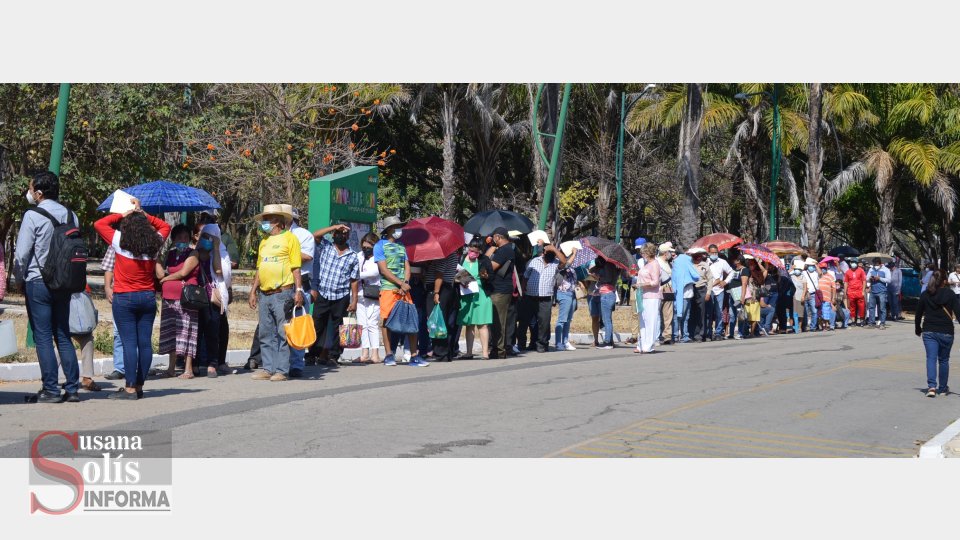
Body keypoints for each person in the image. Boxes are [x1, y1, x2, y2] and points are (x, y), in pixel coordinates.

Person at [13, 171, 84, 403]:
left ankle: (51, 389)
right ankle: (72, 388)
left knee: (43, 336)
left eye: (32, 189)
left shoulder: (32, 215)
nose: (30, 193)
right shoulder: (72, 216)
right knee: (63, 333)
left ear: (39, 193)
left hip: (38, 282)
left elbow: (22, 254)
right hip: (64, 283)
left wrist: (18, 279)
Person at [94, 198, 171, 399]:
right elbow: (165, 225)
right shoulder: (155, 243)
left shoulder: (120, 241)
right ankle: (138, 385)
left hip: (124, 298)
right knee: (144, 342)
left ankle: (129, 388)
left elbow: (99, 224)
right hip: (147, 297)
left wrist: (124, 214)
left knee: (129, 342)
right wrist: (144, 214)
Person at [248, 204, 304, 381]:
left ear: (278, 221)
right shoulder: (264, 242)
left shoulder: (290, 239)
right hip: (265, 293)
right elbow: (260, 268)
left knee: (282, 332)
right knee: (266, 332)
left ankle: (281, 370)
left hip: (283, 293)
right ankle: (267, 368)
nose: (264, 223)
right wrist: (253, 291)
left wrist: (299, 290)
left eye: (267, 219)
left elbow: (296, 267)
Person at [375, 216, 426, 367]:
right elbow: (383, 269)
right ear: (389, 230)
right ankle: (389, 355)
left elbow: (407, 266)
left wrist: (406, 283)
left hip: (404, 289)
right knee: (386, 321)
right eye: (396, 226)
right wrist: (399, 283)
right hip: (388, 289)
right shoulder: (379, 246)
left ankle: (414, 355)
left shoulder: (401, 246)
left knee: (411, 319)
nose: (399, 230)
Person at [310, 223, 359, 367]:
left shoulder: (353, 255)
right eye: (338, 233)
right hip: (323, 293)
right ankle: (312, 355)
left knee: (339, 327)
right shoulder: (325, 247)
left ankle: (333, 356)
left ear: (348, 236)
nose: (341, 235)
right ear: (333, 234)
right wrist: (334, 227)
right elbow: (315, 235)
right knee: (317, 325)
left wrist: (354, 300)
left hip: (341, 295)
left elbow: (354, 279)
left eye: (344, 233)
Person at [155, 225, 200, 379]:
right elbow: (160, 273)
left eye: (186, 237)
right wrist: (157, 257)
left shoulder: (193, 253)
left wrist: (166, 279)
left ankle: (188, 369)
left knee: (187, 332)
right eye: (179, 237)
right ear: (173, 240)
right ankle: (171, 368)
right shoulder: (170, 253)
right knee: (172, 333)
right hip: (169, 298)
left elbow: (183, 272)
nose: (183, 240)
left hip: (186, 298)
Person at [915, 270, 960, 397]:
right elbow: (958, 313)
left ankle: (931, 387)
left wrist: (917, 328)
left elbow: (918, 313)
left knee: (931, 358)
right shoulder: (950, 294)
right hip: (946, 332)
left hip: (929, 330)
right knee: (944, 360)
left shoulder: (925, 294)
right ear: (945, 281)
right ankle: (943, 388)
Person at [519, 238, 566, 353]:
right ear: (543, 252)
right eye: (548, 251)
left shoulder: (555, 263)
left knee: (544, 323)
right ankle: (521, 344)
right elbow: (525, 276)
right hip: (530, 296)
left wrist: (554, 249)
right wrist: (523, 290)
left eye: (552, 253)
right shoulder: (534, 261)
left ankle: (542, 344)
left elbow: (564, 262)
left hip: (545, 299)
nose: (550, 254)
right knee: (525, 322)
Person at [288, 208, 315, 373]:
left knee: (297, 324)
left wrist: (286, 253)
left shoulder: (304, 234)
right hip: (280, 284)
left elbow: (307, 256)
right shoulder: (276, 236)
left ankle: (297, 364)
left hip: (300, 284)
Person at [458, 238, 494, 359]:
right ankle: (469, 352)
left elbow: (491, 277)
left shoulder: (484, 260)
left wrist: (486, 276)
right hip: (467, 294)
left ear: (480, 251)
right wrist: (460, 281)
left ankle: (485, 352)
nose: (472, 253)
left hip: (481, 294)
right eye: (470, 249)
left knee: (482, 324)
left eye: (475, 251)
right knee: (469, 324)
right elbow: (456, 274)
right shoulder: (462, 258)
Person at [425, 248, 462, 361]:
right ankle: (446, 352)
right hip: (447, 288)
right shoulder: (453, 254)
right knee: (443, 320)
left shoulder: (444, 255)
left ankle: (441, 352)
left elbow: (439, 274)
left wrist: (436, 292)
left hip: (440, 290)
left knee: (437, 321)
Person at [487, 227, 517, 359]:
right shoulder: (506, 249)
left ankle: (499, 350)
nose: (493, 240)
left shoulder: (504, 250)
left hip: (501, 290)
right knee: (495, 320)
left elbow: (490, 267)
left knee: (498, 321)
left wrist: (489, 252)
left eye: (494, 237)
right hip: (498, 288)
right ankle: (496, 348)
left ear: (498, 237)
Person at [100, 245, 126, 381]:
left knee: (139, 333)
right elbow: (109, 267)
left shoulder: (145, 239)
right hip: (120, 293)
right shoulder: (116, 243)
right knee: (118, 332)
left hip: (140, 293)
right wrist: (107, 287)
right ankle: (120, 368)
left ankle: (139, 366)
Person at [357, 232, 382, 364]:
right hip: (360, 294)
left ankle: (375, 354)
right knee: (362, 324)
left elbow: (374, 272)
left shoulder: (378, 257)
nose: (366, 250)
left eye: (369, 247)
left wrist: (357, 275)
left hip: (373, 293)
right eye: (364, 247)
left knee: (372, 323)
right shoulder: (359, 256)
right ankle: (364, 353)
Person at [671, 248, 702, 343]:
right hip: (682, 295)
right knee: (679, 315)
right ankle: (676, 335)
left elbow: (695, 276)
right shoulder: (678, 263)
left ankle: (684, 335)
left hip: (688, 294)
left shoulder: (687, 264)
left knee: (685, 316)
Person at [635, 242, 662, 354]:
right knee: (643, 320)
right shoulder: (646, 264)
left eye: (643, 252)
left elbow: (655, 282)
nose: (642, 254)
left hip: (652, 296)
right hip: (642, 295)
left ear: (648, 253)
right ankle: (641, 344)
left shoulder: (655, 264)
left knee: (651, 321)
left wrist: (641, 284)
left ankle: (649, 345)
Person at [554, 243, 579, 352]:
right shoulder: (558, 263)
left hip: (572, 293)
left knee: (568, 320)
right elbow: (565, 265)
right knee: (562, 319)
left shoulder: (571, 265)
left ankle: (565, 341)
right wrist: (574, 254)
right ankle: (558, 342)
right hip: (563, 293)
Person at [593, 257, 621, 349]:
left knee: (606, 320)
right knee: (608, 319)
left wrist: (598, 277)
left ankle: (607, 342)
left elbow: (607, 279)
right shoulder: (614, 266)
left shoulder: (608, 266)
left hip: (606, 294)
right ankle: (609, 341)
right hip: (610, 293)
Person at [707, 244, 733, 340]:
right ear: (709, 252)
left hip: (719, 291)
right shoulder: (705, 262)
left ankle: (718, 332)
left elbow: (731, 272)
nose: (714, 254)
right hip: (709, 290)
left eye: (716, 252)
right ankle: (708, 332)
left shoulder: (722, 262)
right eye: (712, 252)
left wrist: (725, 282)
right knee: (709, 312)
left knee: (719, 312)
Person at [657, 243, 676, 344]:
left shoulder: (668, 263)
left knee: (668, 313)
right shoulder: (657, 262)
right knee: (658, 313)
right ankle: (658, 334)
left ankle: (667, 336)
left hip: (669, 289)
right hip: (659, 288)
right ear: (665, 253)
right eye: (670, 252)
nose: (671, 254)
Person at [865, 257, 891, 329]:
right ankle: (871, 323)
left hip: (882, 291)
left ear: (879, 263)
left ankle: (882, 323)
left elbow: (889, 280)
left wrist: (879, 278)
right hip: (873, 291)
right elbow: (866, 278)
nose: (874, 265)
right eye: (874, 264)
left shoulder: (886, 270)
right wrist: (870, 278)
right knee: (871, 307)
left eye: (876, 264)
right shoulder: (871, 269)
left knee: (882, 308)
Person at [844, 258, 867, 326]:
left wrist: (863, 291)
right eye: (852, 262)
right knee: (852, 307)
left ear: (857, 264)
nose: (853, 264)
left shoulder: (861, 271)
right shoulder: (847, 272)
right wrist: (845, 292)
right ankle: (853, 321)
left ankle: (862, 320)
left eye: (855, 262)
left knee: (861, 306)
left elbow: (864, 281)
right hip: (851, 292)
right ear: (850, 263)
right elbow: (846, 282)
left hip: (859, 291)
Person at [759, 262, 779, 335]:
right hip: (766, 293)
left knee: (772, 310)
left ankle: (768, 328)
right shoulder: (764, 271)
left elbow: (778, 280)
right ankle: (763, 328)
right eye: (768, 264)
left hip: (774, 293)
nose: (770, 266)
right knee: (764, 310)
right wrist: (766, 267)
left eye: (771, 264)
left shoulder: (776, 272)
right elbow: (763, 277)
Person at [817, 262, 838, 330]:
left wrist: (833, 298)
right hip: (818, 298)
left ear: (826, 268)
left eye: (824, 268)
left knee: (826, 312)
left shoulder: (830, 277)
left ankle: (826, 325)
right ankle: (821, 325)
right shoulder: (818, 276)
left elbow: (834, 288)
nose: (823, 269)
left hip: (827, 297)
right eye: (821, 268)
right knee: (820, 312)